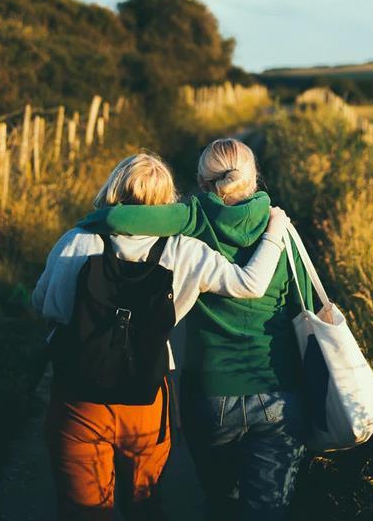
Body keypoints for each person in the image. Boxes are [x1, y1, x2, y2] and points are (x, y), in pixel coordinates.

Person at [31, 151, 288, 520]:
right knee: (144, 504)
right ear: (168, 200)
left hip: (79, 398)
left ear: (113, 188)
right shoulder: (185, 251)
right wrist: (275, 234)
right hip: (146, 398)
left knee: (82, 510)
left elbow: (44, 304)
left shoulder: (77, 240)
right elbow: (249, 283)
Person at [93, 138, 315, 521]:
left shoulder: (193, 217)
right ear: (254, 178)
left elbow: (116, 220)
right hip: (278, 391)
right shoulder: (282, 230)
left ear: (200, 180)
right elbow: (306, 311)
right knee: (269, 511)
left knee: (220, 503)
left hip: (210, 394)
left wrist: (85, 223)